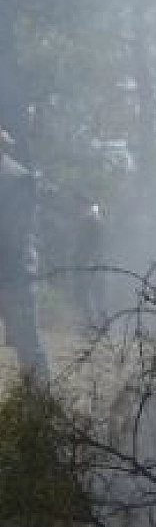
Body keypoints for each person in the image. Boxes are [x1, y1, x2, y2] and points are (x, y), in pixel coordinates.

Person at [0, 125, 48, 378]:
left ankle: (39, 411)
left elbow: (15, 234)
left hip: (15, 275)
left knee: (28, 347)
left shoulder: (18, 178)